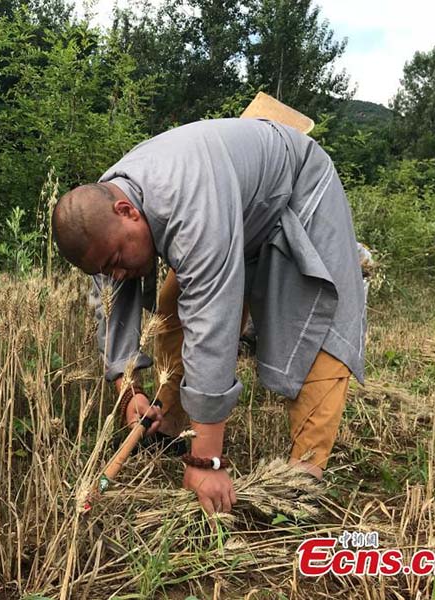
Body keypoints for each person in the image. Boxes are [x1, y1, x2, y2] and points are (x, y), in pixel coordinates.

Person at [52, 117, 366, 516]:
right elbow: (111, 304)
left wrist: (207, 461)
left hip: (297, 191)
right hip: (231, 207)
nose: (115, 273)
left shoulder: (188, 205)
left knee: (317, 325)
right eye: (104, 269)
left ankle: (301, 480)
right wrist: (128, 390)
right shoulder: (102, 215)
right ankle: (168, 424)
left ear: (127, 210)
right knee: (171, 309)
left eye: (116, 260)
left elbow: (213, 320)